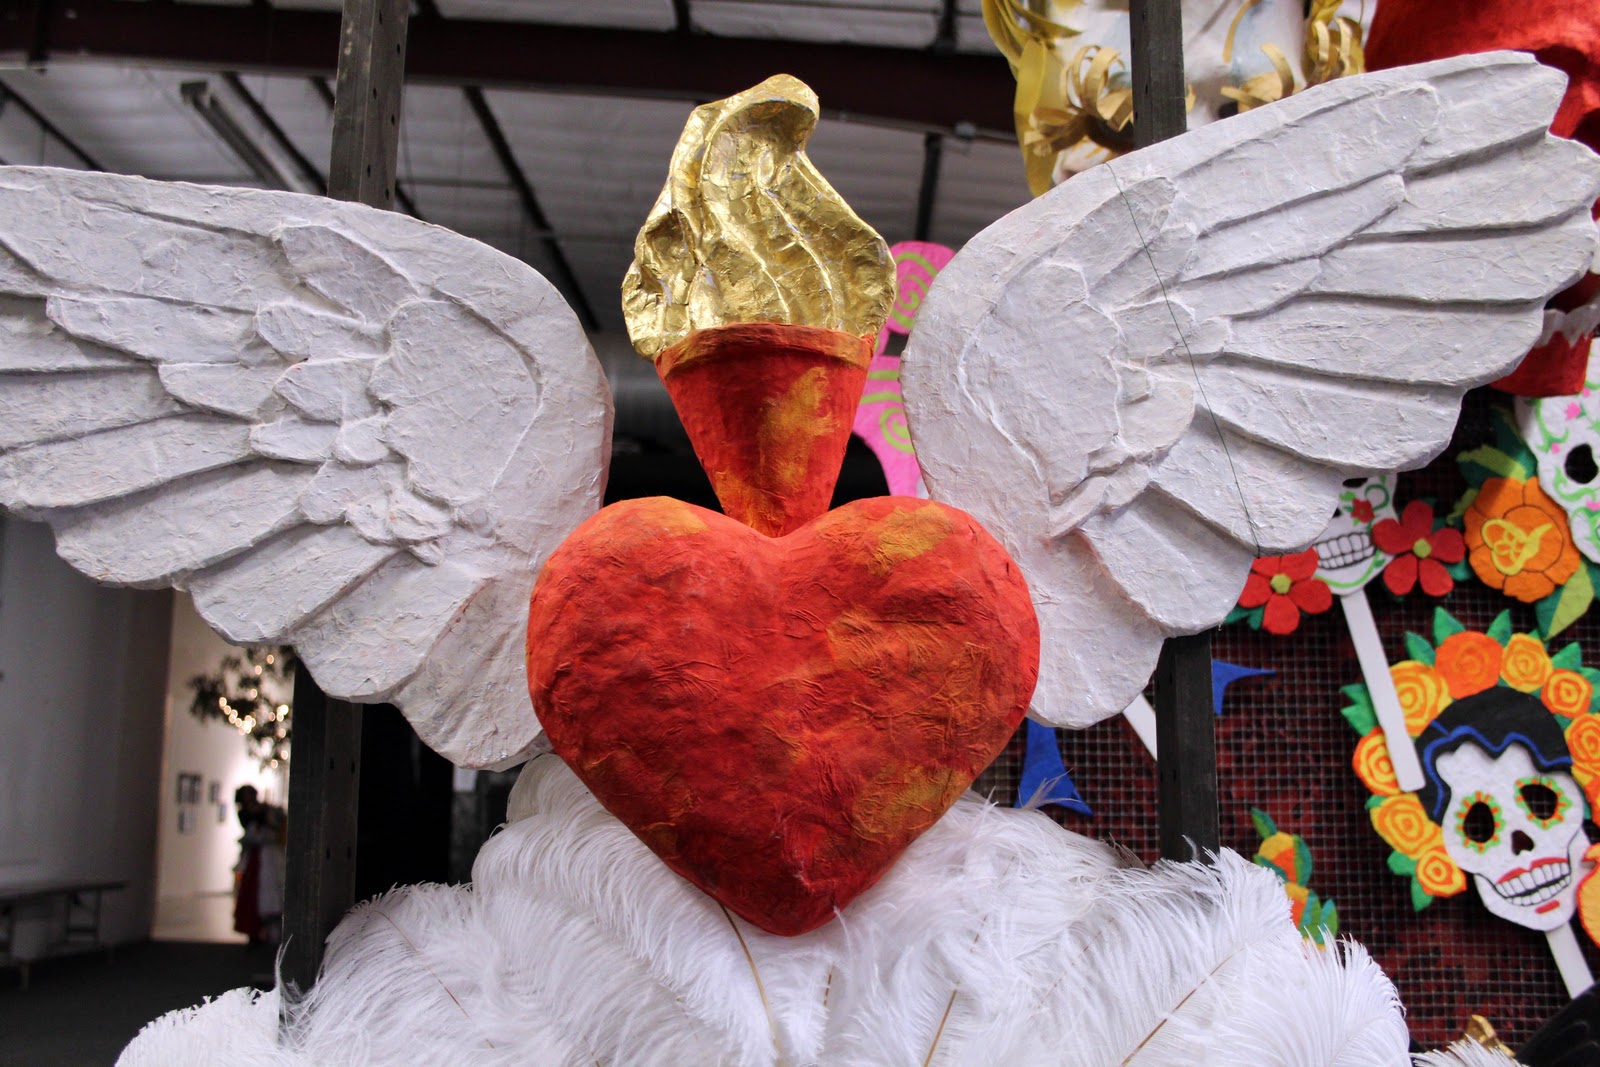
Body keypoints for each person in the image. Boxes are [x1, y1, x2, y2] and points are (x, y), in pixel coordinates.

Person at [232, 785, 286, 946]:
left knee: (270, 890)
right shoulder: (245, 813)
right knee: (252, 893)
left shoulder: (265, 810)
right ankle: (254, 932)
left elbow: (275, 826)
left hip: (267, 857)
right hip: (254, 858)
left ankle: (269, 931)